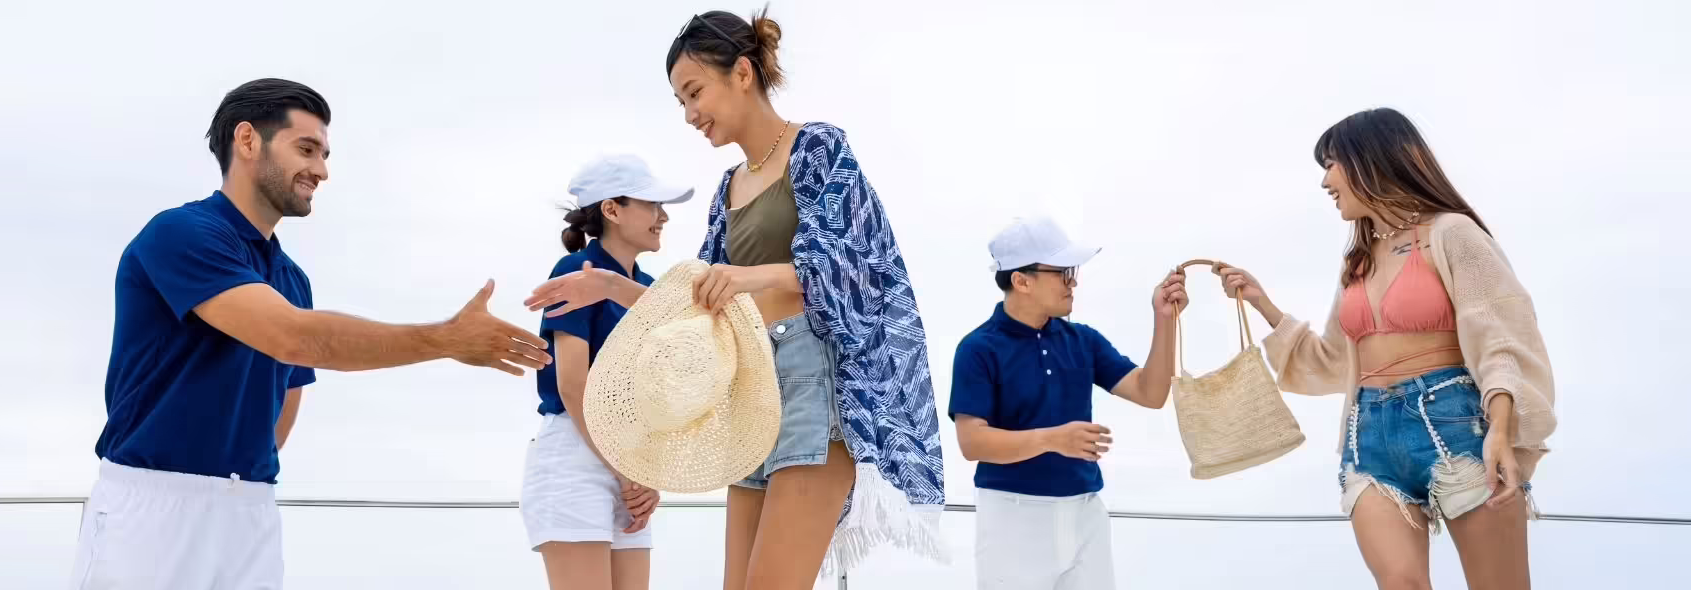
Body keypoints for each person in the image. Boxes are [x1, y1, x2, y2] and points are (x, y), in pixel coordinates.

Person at [71, 78, 552, 590]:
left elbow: (283, 404)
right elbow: (293, 338)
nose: (321, 170)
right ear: (248, 140)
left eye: (323, 154)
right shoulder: (180, 233)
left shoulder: (292, 280)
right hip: (151, 508)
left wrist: (235, 485)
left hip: (249, 510)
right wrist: (445, 339)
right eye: (306, 149)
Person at [524, 8, 947, 588]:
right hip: (750, 394)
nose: (690, 114)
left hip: (814, 387)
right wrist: (610, 286)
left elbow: (860, 268)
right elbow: (698, 306)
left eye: (695, 92)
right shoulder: (728, 188)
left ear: (742, 73)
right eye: (681, 101)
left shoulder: (817, 148)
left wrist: (752, 278)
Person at [1214, 108, 1555, 590]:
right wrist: (1261, 302)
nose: (1325, 181)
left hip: (1455, 425)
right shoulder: (1358, 261)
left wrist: (1501, 428)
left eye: (1331, 164)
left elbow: (1503, 340)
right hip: (1368, 434)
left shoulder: (1451, 232)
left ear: (1370, 159)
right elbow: (1332, 362)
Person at [949, 216, 1187, 589]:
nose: (1073, 282)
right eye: (1063, 272)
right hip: (1012, 520)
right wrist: (1053, 439)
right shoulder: (977, 349)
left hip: (1086, 514)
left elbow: (1151, 393)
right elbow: (972, 442)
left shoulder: (1084, 340)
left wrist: (1165, 318)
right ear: (1021, 281)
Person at [521, 154, 695, 590]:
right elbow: (573, 385)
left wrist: (646, 474)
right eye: (651, 204)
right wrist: (626, 470)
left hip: (630, 462)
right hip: (578, 460)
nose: (663, 216)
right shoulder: (575, 272)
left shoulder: (648, 289)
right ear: (612, 210)